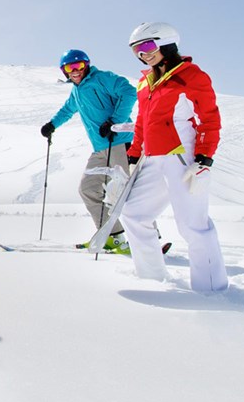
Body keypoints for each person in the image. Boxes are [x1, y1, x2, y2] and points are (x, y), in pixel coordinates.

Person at [119, 22, 228, 292]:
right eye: (136, 50)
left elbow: (209, 117)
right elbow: (143, 120)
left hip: (182, 157)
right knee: (133, 214)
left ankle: (211, 289)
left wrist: (204, 157)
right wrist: (134, 154)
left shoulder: (191, 75)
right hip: (153, 158)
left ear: (167, 43)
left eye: (147, 46)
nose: (143, 54)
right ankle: (151, 278)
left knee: (193, 225)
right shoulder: (145, 81)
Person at [40, 49, 138, 253]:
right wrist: (52, 125)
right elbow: (67, 110)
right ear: (64, 71)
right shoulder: (76, 91)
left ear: (87, 65)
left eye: (79, 66)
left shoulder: (102, 78)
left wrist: (115, 121)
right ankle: (114, 237)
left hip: (120, 142)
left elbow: (129, 91)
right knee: (88, 189)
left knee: (126, 194)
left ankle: (150, 239)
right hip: (100, 149)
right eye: (70, 67)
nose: (75, 71)